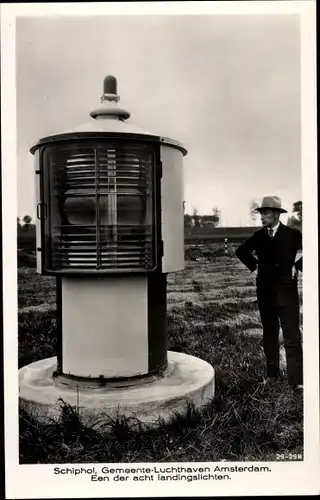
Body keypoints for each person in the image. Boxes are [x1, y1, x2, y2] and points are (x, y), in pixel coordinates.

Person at [236, 196, 303, 391]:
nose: (261, 217)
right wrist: (255, 267)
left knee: (292, 336)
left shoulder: (292, 234)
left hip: (287, 292)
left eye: (265, 213)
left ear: (275, 214)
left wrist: (297, 265)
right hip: (265, 293)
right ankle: (273, 375)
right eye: (261, 213)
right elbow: (241, 251)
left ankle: (297, 380)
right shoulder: (259, 236)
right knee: (270, 334)